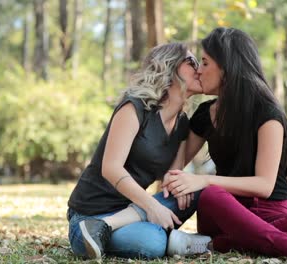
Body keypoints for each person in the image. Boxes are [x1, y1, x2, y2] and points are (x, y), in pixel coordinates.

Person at [162, 27, 287, 263]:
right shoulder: (205, 114)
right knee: (211, 195)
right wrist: (179, 101)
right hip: (224, 211)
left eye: (205, 63)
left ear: (227, 68)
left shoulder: (267, 113)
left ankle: (210, 244)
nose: (198, 71)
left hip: (271, 211)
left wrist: (202, 179)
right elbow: (174, 167)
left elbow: (264, 185)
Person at [67, 42, 209, 260]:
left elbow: (171, 178)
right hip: (89, 213)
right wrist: (152, 206)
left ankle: (110, 228)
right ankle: (96, 229)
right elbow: (111, 168)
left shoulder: (182, 124)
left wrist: (181, 184)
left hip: (133, 210)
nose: (199, 68)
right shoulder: (135, 107)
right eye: (191, 62)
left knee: (199, 191)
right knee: (152, 242)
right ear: (169, 68)